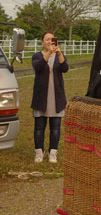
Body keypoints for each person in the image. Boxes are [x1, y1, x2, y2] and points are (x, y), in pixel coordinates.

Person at [31, 31, 69, 164]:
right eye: (47, 39)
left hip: (56, 97)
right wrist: (48, 53)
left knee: (55, 127)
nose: (49, 41)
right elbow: (39, 67)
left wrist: (58, 53)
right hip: (41, 96)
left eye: (52, 39)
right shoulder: (37, 56)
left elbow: (65, 68)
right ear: (42, 42)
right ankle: (39, 153)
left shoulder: (60, 56)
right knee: (39, 127)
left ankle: (53, 153)